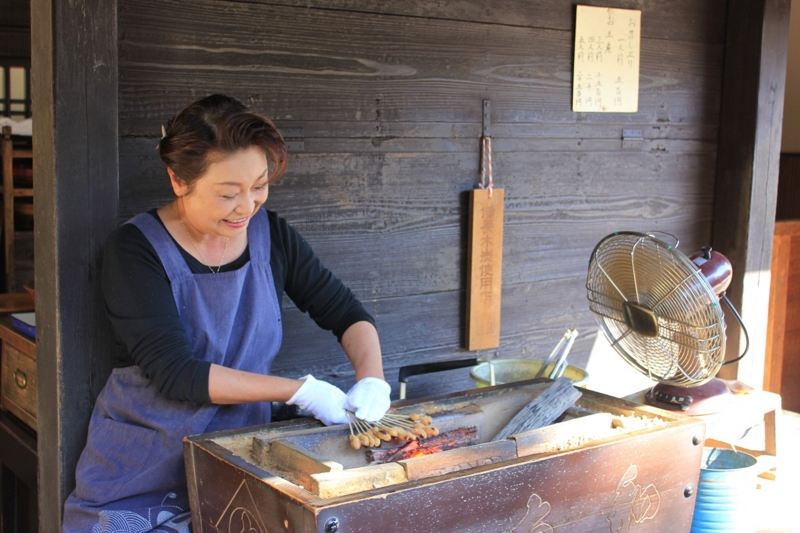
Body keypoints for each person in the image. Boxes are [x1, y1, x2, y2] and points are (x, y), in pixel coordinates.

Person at [62, 94, 391, 532]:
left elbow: (345, 312)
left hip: (239, 466)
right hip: (141, 474)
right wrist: (300, 392)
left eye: (259, 185)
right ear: (179, 181)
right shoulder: (135, 251)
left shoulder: (270, 235)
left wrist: (373, 377)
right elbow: (179, 373)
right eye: (227, 194)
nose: (248, 206)